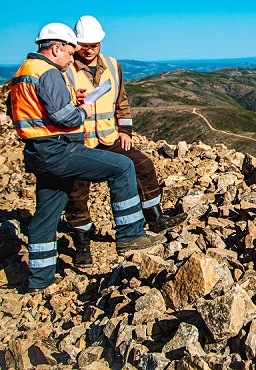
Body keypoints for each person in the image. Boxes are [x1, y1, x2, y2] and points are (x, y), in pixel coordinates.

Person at [9, 22, 165, 292]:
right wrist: (84, 110)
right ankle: (130, 233)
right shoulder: (47, 72)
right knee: (122, 167)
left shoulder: (24, 72)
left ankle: (39, 279)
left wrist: (72, 97)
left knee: (45, 217)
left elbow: (37, 109)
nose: (73, 56)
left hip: (38, 151)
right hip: (59, 149)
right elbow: (65, 118)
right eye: (70, 51)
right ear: (56, 47)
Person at [64, 15, 186, 266]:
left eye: (94, 45)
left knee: (142, 165)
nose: (89, 50)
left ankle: (154, 216)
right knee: (76, 188)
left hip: (109, 136)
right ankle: (82, 242)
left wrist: (125, 132)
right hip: (80, 140)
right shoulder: (65, 69)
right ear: (76, 44)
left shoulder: (112, 64)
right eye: (85, 45)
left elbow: (121, 102)